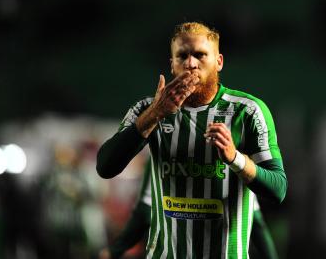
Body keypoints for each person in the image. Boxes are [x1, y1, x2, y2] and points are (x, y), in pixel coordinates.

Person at [96, 22, 287, 258]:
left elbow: (278, 188)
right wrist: (156, 114)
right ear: (172, 64)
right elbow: (105, 167)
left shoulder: (247, 111)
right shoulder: (147, 110)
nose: (191, 63)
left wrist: (235, 158)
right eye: (182, 56)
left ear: (219, 61)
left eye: (200, 55)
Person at [99, 161, 280, 259]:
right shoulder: (236, 159)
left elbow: (146, 210)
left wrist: (115, 250)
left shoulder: (163, 150)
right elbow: (256, 223)